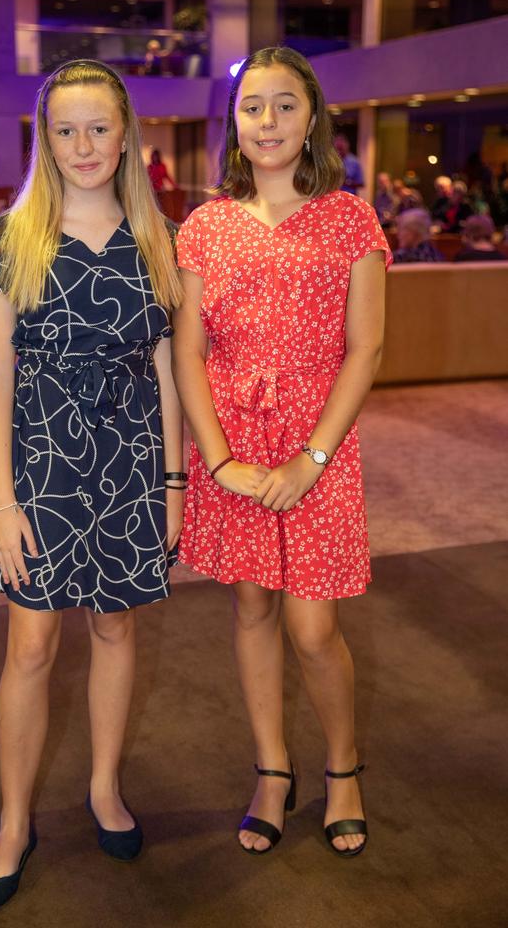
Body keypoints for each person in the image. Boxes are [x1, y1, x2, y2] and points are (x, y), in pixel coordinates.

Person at [0, 59, 183, 911]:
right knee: (30, 646)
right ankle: (14, 821)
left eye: (98, 127)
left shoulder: (157, 234)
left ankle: (102, 787)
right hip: (40, 468)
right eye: (65, 129)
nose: (83, 144)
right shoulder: (10, 237)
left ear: (127, 133)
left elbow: (166, 365)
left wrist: (172, 485)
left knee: (116, 631)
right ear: (43, 139)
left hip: (131, 462)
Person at [173, 46, 391, 860]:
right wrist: (221, 459)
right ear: (233, 123)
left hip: (319, 444)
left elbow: (365, 351)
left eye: (285, 105)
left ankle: (343, 768)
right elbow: (188, 352)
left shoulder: (351, 218)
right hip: (234, 443)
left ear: (313, 117)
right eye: (253, 106)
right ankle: (272, 769)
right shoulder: (203, 227)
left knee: (311, 626)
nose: (268, 122)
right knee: (253, 607)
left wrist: (312, 458)